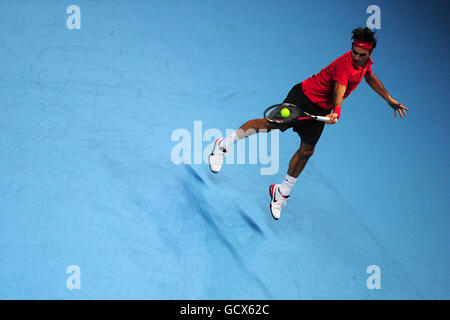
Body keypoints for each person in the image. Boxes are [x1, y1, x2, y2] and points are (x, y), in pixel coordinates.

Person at [208, 27, 408, 220]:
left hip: (320, 109)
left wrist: (388, 99)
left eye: (361, 55)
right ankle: (222, 145)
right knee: (269, 125)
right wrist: (337, 111)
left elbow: (369, 76)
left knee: (307, 151)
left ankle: (281, 192)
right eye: (354, 52)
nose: (357, 57)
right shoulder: (345, 65)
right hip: (303, 98)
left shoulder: (365, 63)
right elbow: (340, 88)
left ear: (369, 53)